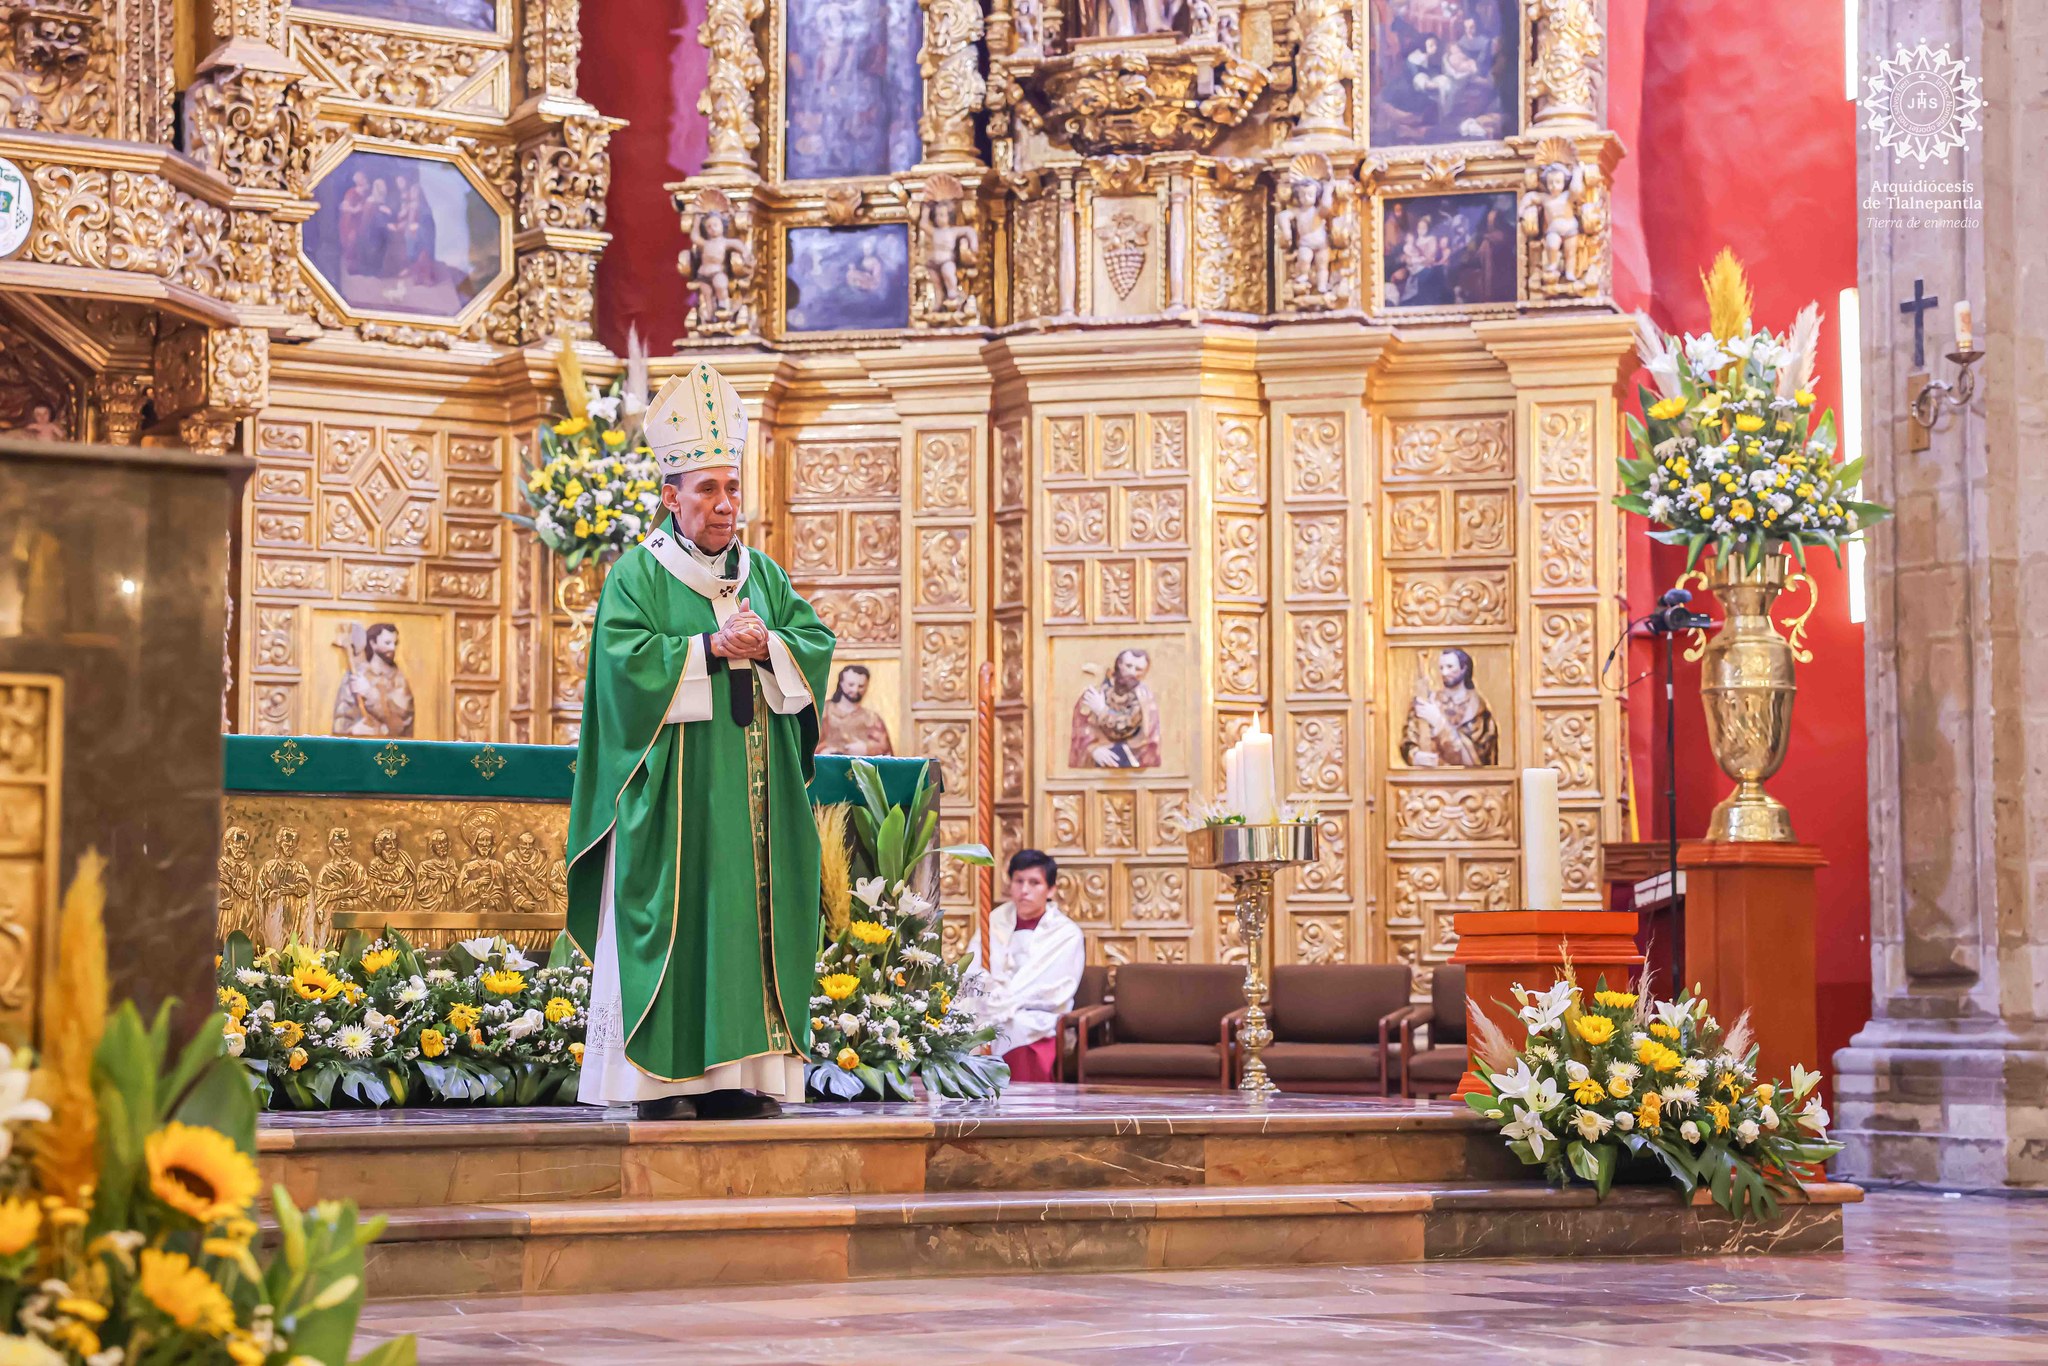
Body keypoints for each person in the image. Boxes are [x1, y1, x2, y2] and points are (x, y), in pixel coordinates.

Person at [568, 362, 836, 1121]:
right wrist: (708, 651)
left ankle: (741, 1078)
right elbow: (620, 671)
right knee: (685, 921)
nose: (725, 506)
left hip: (755, 800)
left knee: (748, 923)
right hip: (676, 795)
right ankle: (662, 1084)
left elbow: (810, 641)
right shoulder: (639, 578)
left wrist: (770, 644)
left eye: (732, 488)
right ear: (670, 498)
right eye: (708, 491)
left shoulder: (764, 575)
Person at [963, 850, 1085, 1084]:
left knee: (1013, 1025)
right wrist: (991, 999)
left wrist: (1007, 1002)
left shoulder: (1066, 934)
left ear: (1050, 889)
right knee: (959, 1024)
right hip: (989, 1006)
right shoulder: (993, 921)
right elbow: (973, 969)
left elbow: (1054, 987)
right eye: (1019, 881)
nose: (1024, 890)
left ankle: (1024, 1112)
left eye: (1034, 882)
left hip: (1036, 1015)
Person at [1401, 647, 1499, 767]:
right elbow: (1409, 739)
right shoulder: (1429, 701)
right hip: (1429, 782)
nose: (1444, 673)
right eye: (1441, 668)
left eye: (1450, 667)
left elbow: (1478, 760)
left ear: (1464, 668)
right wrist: (1416, 757)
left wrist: (1439, 723)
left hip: (1468, 783)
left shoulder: (1477, 710)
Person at [1068, 648, 1162, 768]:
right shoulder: (1096, 692)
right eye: (1128, 666)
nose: (1132, 672)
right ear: (1119, 664)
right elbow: (1081, 730)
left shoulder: (1145, 700)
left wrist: (1101, 710)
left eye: (1138, 669)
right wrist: (1093, 750)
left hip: (1133, 771)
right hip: (1096, 771)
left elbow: (1148, 740)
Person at [332, 622, 415, 737]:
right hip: (357, 750)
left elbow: (402, 724)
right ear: (373, 643)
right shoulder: (356, 676)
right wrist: (353, 730)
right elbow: (341, 720)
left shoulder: (399, 680)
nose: (392, 648)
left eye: (395, 643)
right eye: (387, 643)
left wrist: (369, 693)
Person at [816, 663, 894, 757]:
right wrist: (822, 751)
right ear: (841, 683)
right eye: (851, 685)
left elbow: (886, 751)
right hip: (827, 765)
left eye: (861, 686)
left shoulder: (871, 718)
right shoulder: (824, 711)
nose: (855, 690)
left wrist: (866, 749)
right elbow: (807, 742)